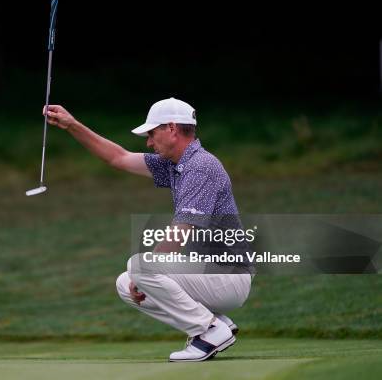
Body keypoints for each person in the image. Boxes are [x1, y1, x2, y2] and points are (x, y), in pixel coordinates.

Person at [44, 97, 252, 362]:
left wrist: (143, 272)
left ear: (172, 129)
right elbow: (119, 158)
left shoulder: (201, 166)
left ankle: (209, 330)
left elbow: (181, 231)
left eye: (152, 133)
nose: (149, 142)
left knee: (139, 266)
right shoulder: (176, 165)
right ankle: (215, 322)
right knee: (125, 284)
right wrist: (72, 125)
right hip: (210, 274)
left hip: (229, 277)